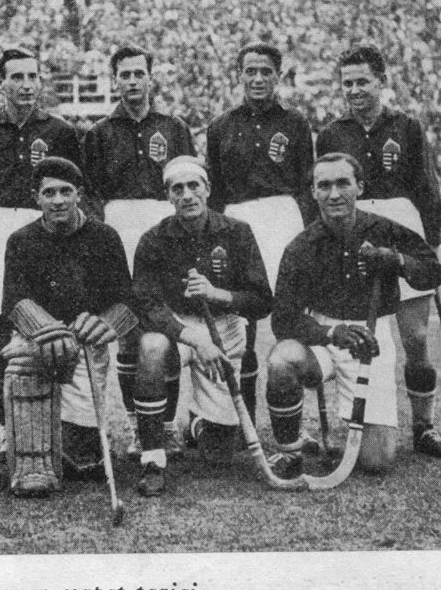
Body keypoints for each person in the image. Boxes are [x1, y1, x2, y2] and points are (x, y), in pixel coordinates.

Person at [316, 45, 441, 458]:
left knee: (415, 337)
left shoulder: (407, 127)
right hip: (355, 231)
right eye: (348, 83)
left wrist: (431, 243)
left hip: (403, 226)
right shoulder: (331, 133)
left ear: (381, 81)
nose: (355, 90)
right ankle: (363, 423)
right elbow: (324, 192)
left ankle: (424, 427)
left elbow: (427, 189)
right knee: (361, 332)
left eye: (363, 81)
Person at [266, 153, 441, 473]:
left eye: (343, 183)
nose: (334, 194)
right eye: (324, 186)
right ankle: (289, 450)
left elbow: (433, 272)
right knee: (282, 359)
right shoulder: (301, 246)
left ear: (360, 186)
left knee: (377, 462)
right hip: (323, 337)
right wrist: (330, 333)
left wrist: (398, 260)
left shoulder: (384, 229)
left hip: (371, 338)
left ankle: (363, 431)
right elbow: (283, 319)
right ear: (313, 192)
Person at [131, 156, 273, 496]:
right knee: (150, 348)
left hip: (224, 325)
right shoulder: (153, 239)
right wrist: (195, 339)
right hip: (177, 329)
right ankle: (153, 459)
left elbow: (262, 301)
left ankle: (199, 422)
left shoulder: (238, 232)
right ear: (168, 196)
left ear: (208, 189)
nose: (187, 195)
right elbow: (147, 306)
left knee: (220, 455)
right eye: (177, 189)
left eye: (194, 186)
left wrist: (217, 294)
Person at [83, 45, 197, 458]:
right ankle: (136, 426)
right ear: (114, 80)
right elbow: (89, 195)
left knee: (165, 327)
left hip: (165, 231)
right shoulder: (98, 133)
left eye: (139, 73)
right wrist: (103, 240)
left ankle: (165, 427)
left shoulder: (174, 127)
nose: (132, 81)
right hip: (118, 230)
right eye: (125, 74)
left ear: (151, 78)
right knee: (128, 332)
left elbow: (190, 185)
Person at [0, 48, 82, 443]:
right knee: (0, 336)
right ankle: (9, 428)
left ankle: (54, 424)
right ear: (1, 83)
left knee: (48, 326)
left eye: (32, 76)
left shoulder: (61, 132)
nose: (26, 85)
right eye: (17, 77)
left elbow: (74, 194)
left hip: (44, 231)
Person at [1, 157, 137, 495]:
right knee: (23, 362)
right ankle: (31, 461)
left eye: (66, 191)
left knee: (81, 456)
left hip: (86, 343)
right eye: (49, 193)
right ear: (36, 197)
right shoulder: (21, 239)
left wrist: (104, 323)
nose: (58, 200)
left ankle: (76, 440)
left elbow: (126, 301)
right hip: (38, 338)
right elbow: (13, 302)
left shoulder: (105, 237)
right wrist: (48, 330)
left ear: (80, 194)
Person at [205, 42, 314, 423]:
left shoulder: (295, 123)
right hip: (237, 224)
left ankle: (292, 425)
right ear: (239, 75)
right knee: (242, 323)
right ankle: (242, 418)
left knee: (289, 321)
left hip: (283, 219)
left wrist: (308, 236)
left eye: (265, 71)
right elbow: (215, 192)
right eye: (250, 71)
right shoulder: (220, 126)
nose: (257, 78)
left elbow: (306, 186)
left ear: (278, 76)